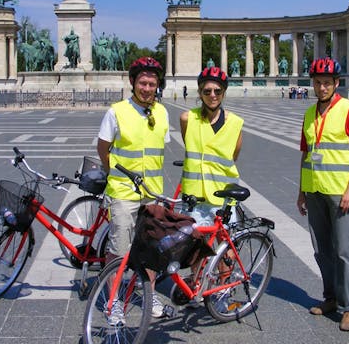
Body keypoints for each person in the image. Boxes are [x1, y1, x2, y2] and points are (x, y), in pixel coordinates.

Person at [295, 57, 349, 332]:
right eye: (317, 82)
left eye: (327, 82)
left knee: (343, 251)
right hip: (314, 189)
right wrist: (300, 191)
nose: (322, 87)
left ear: (336, 83)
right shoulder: (309, 113)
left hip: (339, 191)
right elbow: (305, 153)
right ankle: (331, 297)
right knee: (321, 250)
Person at [97, 56, 170, 321]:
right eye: (143, 83)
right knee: (119, 249)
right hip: (124, 193)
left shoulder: (162, 112)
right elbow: (103, 148)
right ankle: (113, 300)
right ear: (132, 82)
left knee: (151, 250)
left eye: (152, 84)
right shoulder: (116, 111)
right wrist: (113, 175)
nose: (147, 88)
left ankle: (149, 297)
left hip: (152, 193)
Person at [179, 67, 243, 308]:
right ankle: (198, 285)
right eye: (207, 91)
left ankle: (222, 292)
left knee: (225, 249)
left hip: (224, 196)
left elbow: (233, 155)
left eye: (217, 90)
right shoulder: (187, 118)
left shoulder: (236, 123)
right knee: (197, 247)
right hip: (195, 194)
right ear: (200, 92)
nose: (212, 95)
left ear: (224, 93)